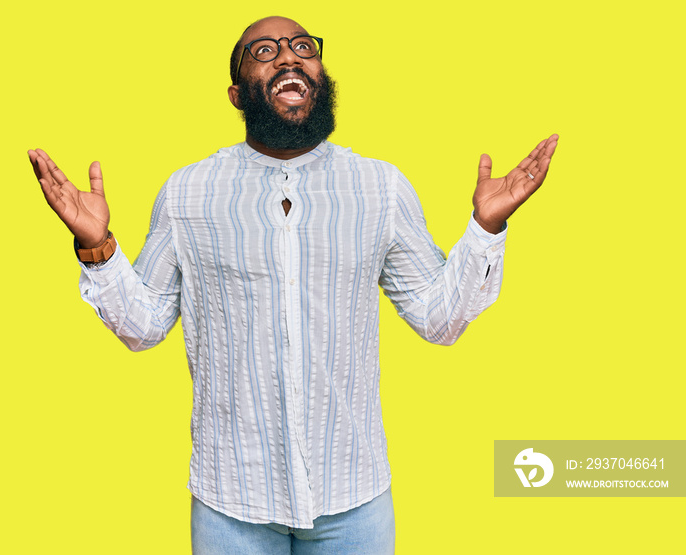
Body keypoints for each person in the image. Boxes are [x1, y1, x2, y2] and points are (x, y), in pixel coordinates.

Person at [28, 15, 558, 555]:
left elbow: (439, 320)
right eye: (264, 51)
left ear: (320, 75)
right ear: (237, 94)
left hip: (355, 498)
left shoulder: (380, 188)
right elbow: (144, 327)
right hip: (231, 502)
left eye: (303, 46)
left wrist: (485, 230)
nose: (288, 56)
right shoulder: (189, 194)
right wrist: (97, 245)